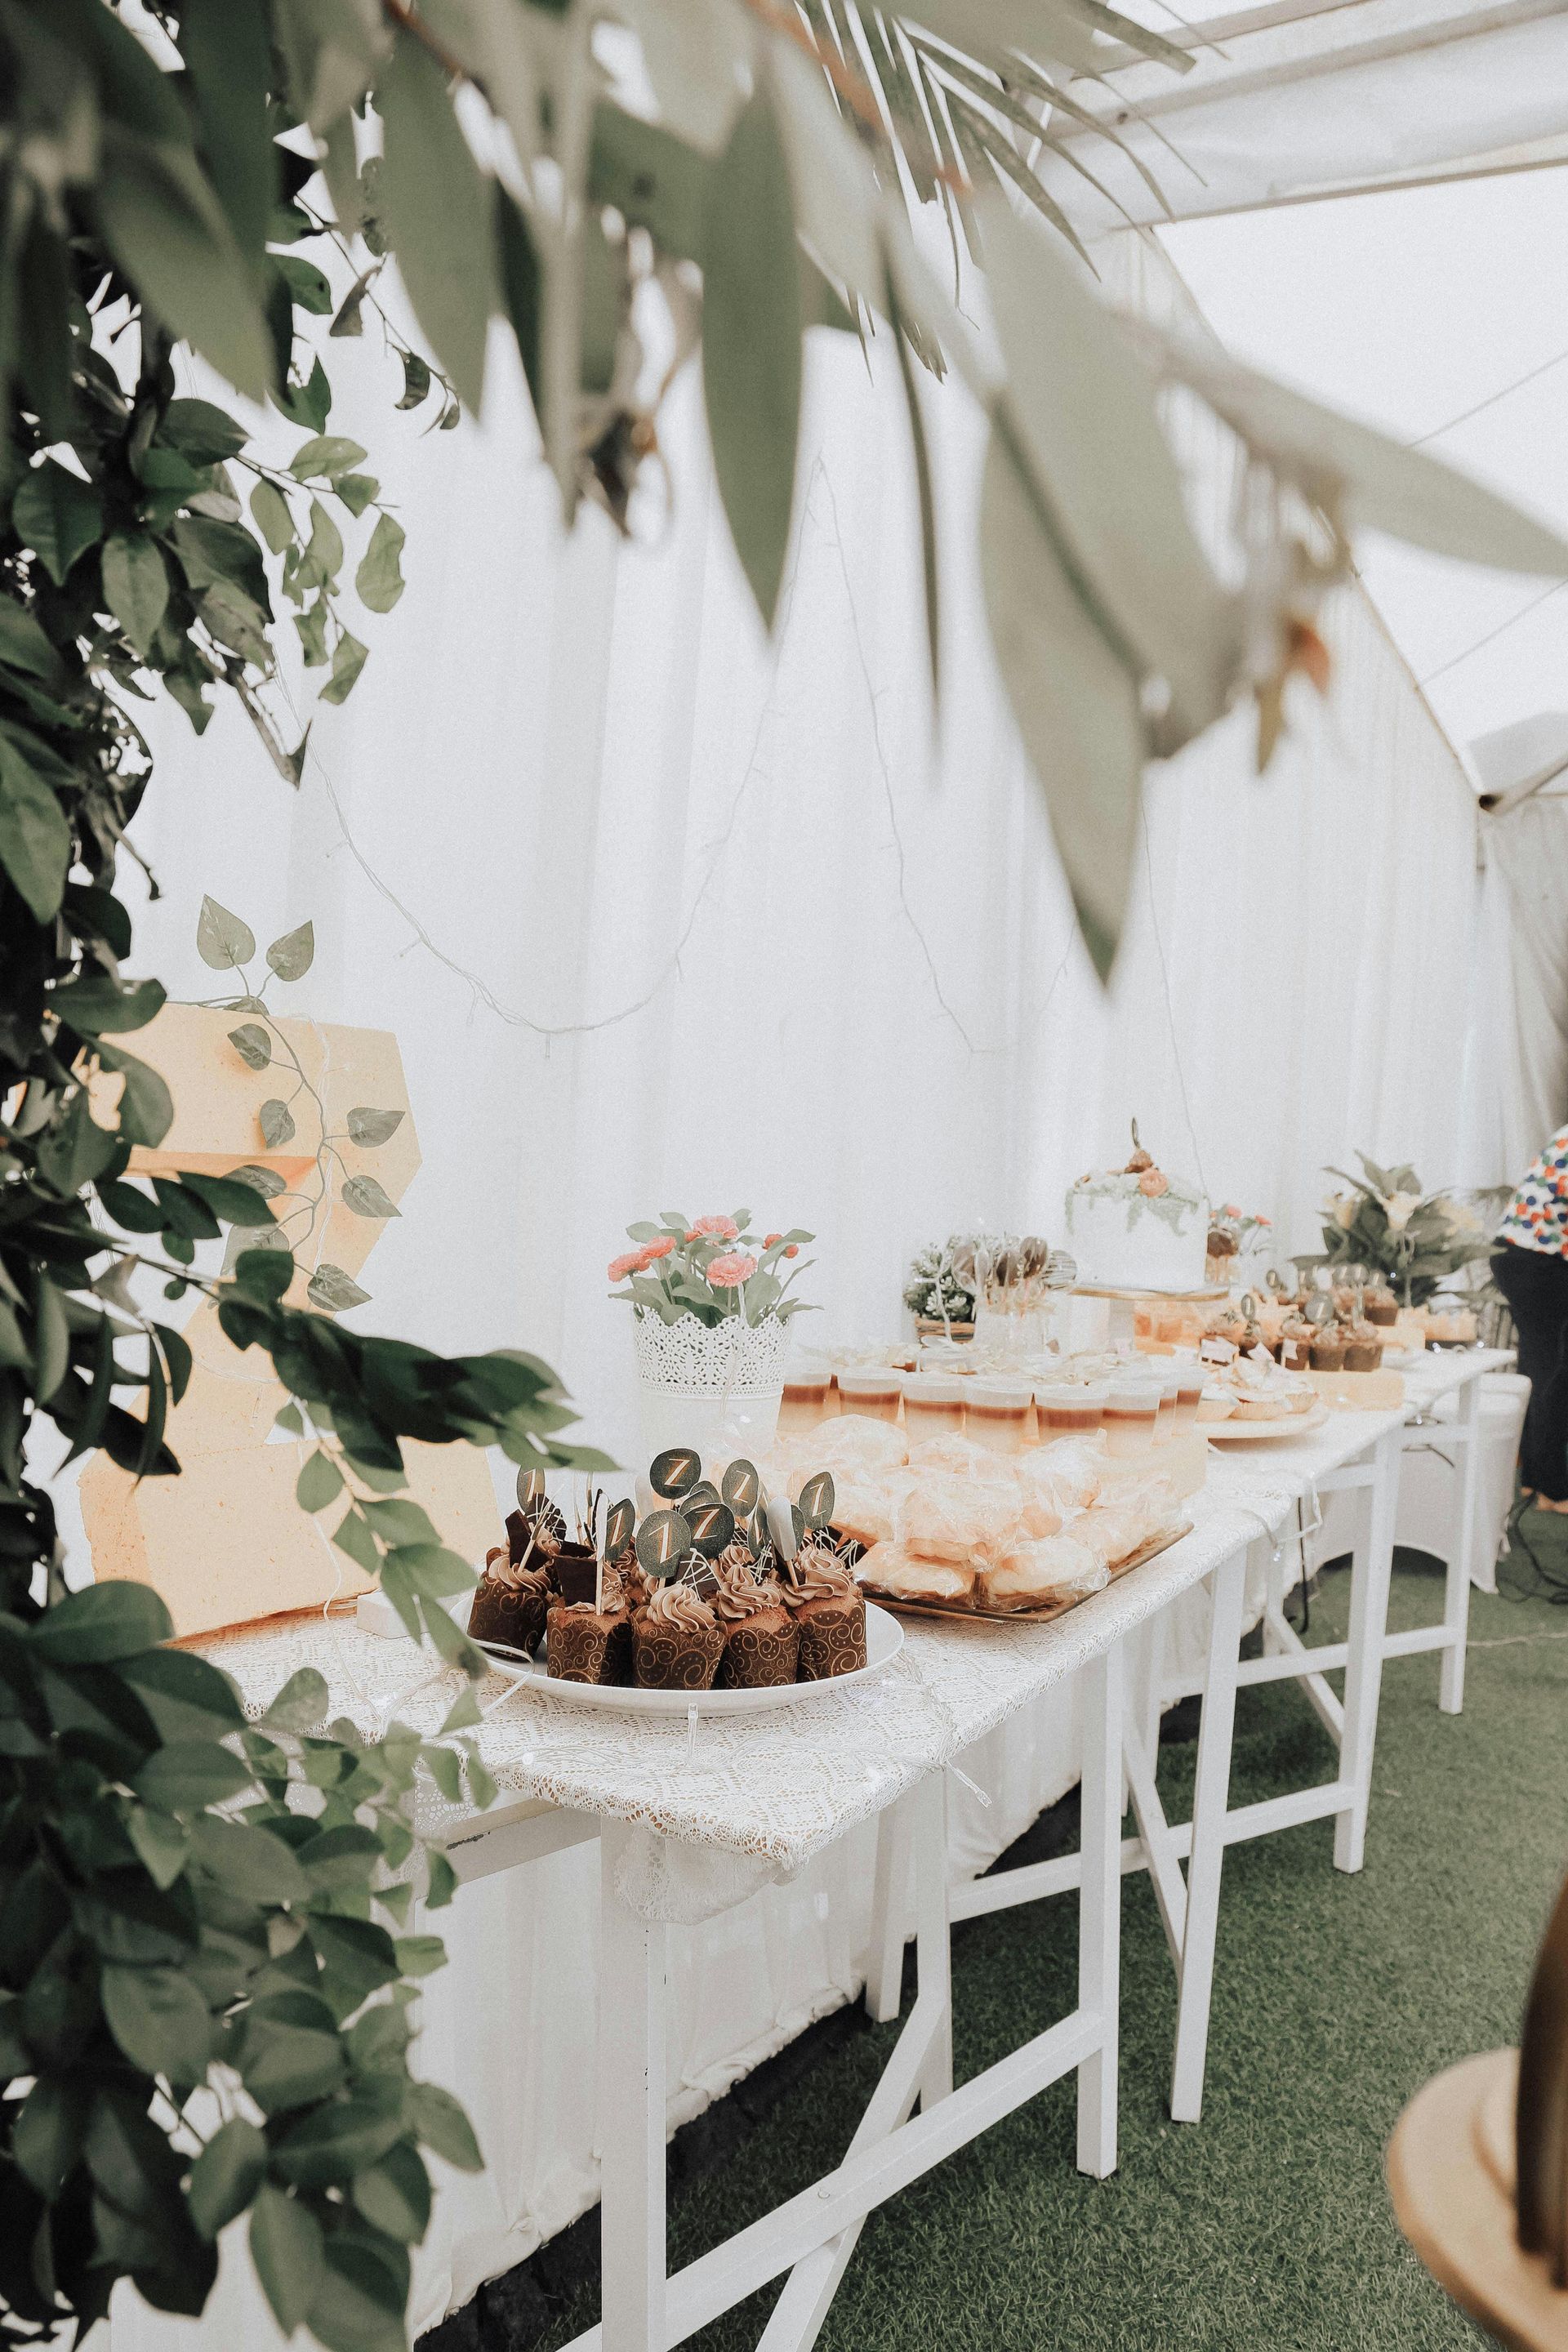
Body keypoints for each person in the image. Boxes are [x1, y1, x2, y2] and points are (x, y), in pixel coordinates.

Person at [1491, 1126, 1568, 1511]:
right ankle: (1551, 1490)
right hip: (1538, 1261)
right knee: (1553, 1373)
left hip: (1524, 1257)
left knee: (1539, 1368)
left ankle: (1533, 1482)